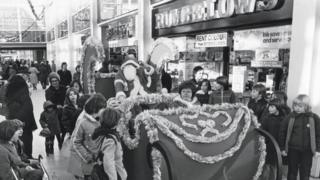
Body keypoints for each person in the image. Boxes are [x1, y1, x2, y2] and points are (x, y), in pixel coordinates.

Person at [279, 94, 320, 180]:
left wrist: (317, 150)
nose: (297, 108)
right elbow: (282, 132)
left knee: (305, 172)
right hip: (292, 149)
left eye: (300, 106)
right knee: (292, 172)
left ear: (307, 106)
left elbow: (318, 135)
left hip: (307, 151)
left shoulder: (314, 118)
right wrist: (282, 148)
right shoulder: (290, 117)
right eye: (295, 105)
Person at [72, 93, 107, 180]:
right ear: (96, 108)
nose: (105, 110)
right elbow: (75, 142)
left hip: (101, 162)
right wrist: (87, 157)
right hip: (88, 165)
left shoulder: (101, 119)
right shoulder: (82, 122)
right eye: (103, 108)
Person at [5, 75, 37, 158]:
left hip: (17, 124)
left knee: (20, 142)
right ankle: (26, 157)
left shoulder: (11, 94)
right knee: (25, 141)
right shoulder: (23, 93)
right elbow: (28, 108)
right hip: (23, 124)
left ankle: (25, 157)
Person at [92, 108, 127, 180]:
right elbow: (108, 163)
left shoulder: (100, 132)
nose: (120, 122)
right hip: (115, 175)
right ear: (113, 121)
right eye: (118, 120)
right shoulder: (110, 139)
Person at [260, 98, 286, 180]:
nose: (269, 109)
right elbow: (262, 131)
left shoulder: (284, 119)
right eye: (269, 106)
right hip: (268, 145)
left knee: (274, 166)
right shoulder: (267, 118)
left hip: (278, 146)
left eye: (272, 107)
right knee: (266, 165)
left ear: (278, 107)